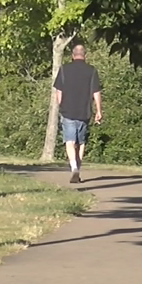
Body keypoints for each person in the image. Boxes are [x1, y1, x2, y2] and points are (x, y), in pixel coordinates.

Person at [52, 42, 103, 183]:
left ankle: (74, 167)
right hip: (84, 111)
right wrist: (99, 110)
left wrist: (61, 105)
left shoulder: (63, 70)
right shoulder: (91, 71)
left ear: (73, 56)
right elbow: (96, 92)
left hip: (68, 110)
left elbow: (59, 92)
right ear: (85, 56)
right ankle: (77, 170)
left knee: (69, 141)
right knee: (81, 142)